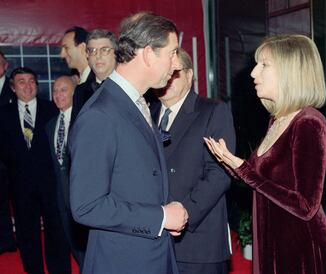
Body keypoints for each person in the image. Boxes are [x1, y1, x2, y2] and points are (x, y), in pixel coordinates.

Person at [204, 34, 326, 274]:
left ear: (290, 72)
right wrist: (228, 161)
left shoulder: (309, 122)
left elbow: (306, 205)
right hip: (272, 242)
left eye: (264, 65)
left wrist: (243, 169)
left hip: (299, 250)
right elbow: (259, 178)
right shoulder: (277, 120)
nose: (253, 73)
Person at [69, 12, 188, 274]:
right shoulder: (100, 115)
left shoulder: (134, 102)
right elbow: (86, 206)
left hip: (153, 255)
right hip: (121, 262)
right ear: (148, 54)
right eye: (172, 52)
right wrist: (161, 217)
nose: (177, 63)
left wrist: (168, 211)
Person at [150, 48, 236, 274]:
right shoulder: (146, 113)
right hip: (153, 238)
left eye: (175, 72)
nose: (168, 78)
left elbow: (220, 174)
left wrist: (183, 213)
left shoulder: (213, 111)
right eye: (164, 71)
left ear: (190, 76)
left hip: (198, 242)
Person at [0, 67, 71, 274]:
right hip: (20, 186)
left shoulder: (52, 109)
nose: (27, 86)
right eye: (21, 82)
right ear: (13, 88)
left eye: (31, 81)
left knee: (56, 232)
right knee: (27, 234)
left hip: (51, 184)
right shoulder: (3, 115)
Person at [45, 76, 87, 269]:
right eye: (55, 91)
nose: (58, 95)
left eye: (63, 90)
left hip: (83, 198)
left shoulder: (84, 120)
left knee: (89, 249)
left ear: (74, 92)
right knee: (75, 248)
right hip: (62, 200)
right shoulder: (50, 125)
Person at [72, 28, 117, 119]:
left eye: (104, 50)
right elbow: (75, 130)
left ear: (116, 53)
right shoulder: (80, 92)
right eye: (92, 51)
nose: (98, 56)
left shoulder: (130, 86)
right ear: (87, 56)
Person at [0, 50, 17, 255]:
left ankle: (9, 240)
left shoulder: (14, 88)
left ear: (6, 65)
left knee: (10, 202)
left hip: (10, 156)